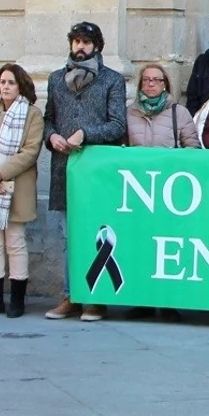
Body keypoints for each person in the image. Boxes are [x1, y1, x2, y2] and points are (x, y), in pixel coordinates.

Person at [42, 21, 127, 323]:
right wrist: (51, 137)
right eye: (76, 41)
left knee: (97, 234)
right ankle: (71, 295)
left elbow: (118, 125)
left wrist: (85, 134)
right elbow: (48, 120)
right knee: (68, 236)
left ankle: (95, 298)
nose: (80, 47)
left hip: (96, 170)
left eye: (86, 42)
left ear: (97, 46)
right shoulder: (55, 79)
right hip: (64, 168)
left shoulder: (112, 80)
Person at [0, 63, 44, 319]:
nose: (6, 87)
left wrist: (0, 173)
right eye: (2, 82)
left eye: (11, 82)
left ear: (21, 85)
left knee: (14, 243)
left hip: (17, 187)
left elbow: (30, 151)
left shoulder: (32, 114)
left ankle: (16, 300)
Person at [128, 64, 199, 149]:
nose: (150, 84)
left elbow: (192, 146)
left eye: (156, 80)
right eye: (146, 80)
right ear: (141, 84)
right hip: (137, 161)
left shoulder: (179, 112)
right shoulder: (129, 112)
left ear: (164, 84)